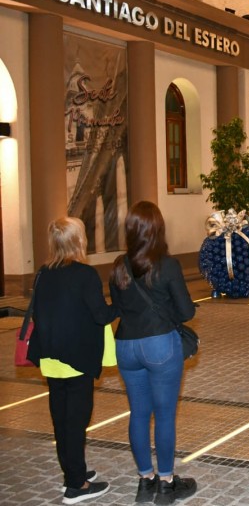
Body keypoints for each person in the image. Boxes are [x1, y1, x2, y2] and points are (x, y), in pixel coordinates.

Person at [110, 202, 197, 505]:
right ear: (158, 228)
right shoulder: (167, 264)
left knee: (138, 412)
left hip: (125, 346)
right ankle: (167, 483)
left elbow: (118, 308)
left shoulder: (119, 265)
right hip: (159, 344)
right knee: (163, 415)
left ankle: (145, 480)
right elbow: (186, 312)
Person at [27, 217, 117, 504]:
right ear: (78, 241)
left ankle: (72, 470)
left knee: (61, 419)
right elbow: (101, 316)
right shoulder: (85, 275)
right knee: (76, 421)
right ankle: (76, 485)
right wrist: (121, 303)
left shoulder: (42, 273)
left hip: (51, 358)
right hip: (77, 358)